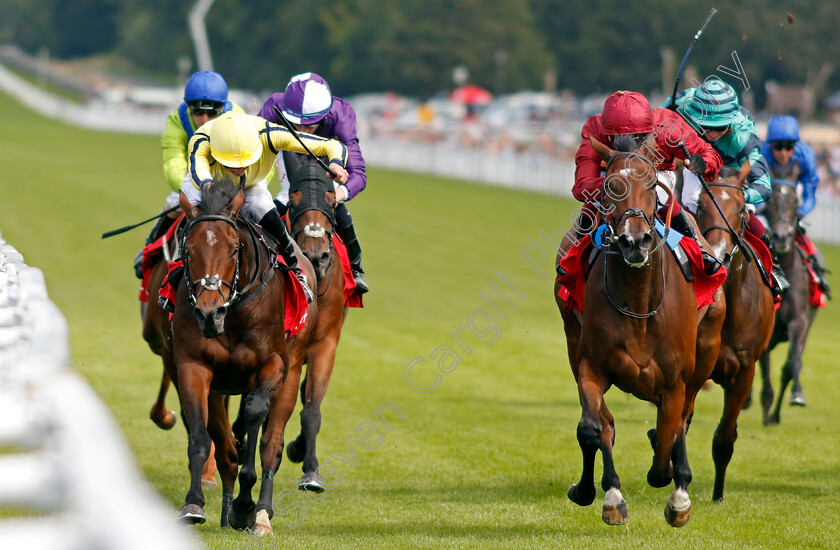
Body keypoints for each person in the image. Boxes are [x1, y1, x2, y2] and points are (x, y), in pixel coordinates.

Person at [183, 111, 349, 303]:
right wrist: (211, 193)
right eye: (231, 163)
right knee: (199, 220)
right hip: (207, 184)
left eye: (244, 161)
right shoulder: (202, 139)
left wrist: (336, 163)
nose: (238, 169)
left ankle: (295, 268)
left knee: (265, 208)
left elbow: (331, 145)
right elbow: (198, 170)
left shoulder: (270, 134)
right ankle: (177, 276)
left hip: (250, 184)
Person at [565, 90, 724, 276]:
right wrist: (617, 183)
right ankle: (574, 257)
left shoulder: (667, 127)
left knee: (661, 197)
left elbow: (709, 152)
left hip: (656, 173)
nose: (631, 143)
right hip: (615, 175)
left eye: (639, 138)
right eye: (620, 139)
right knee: (592, 203)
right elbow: (582, 185)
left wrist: (703, 163)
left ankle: (699, 248)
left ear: (650, 130)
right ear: (607, 133)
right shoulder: (595, 129)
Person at [671, 78, 788, 295]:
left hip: (732, 169)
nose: (711, 134)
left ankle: (774, 270)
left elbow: (764, 187)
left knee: (733, 210)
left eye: (719, 127)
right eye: (706, 127)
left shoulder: (744, 138)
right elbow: (660, 111)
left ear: (731, 123)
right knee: (688, 201)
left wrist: (737, 196)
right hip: (699, 163)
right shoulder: (686, 103)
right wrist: (667, 112)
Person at [259, 72, 369, 295]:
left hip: (326, 164)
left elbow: (358, 173)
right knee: (263, 210)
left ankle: (355, 269)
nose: (301, 131)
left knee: (338, 211)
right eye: (295, 123)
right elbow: (253, 151)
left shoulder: (342, 114)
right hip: (287, 159)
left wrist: (337, 195)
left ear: (325, 115)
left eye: (309, 125)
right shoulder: (273, 107)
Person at [133, 71, 245, 278]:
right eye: (198, 112)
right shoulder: (177, 120)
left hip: (232, 183)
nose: (204, 120)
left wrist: (231, 188)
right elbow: (173, 164)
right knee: (174, 202)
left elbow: (256, 162)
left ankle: (284, 256)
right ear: (188, 107)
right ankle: (149, 249)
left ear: (223, 108)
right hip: (195, 181)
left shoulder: (239, 119)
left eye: (212, 114)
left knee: (259, 207)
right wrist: (199, 186)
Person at [761, 115, 831, 296]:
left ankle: (818, 273)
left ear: (795, 146)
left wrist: (800, 212)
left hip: (793, 194)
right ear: (770, 145)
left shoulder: (805, 155)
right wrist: (761, 206)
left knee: (802, 236)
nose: (783, 153)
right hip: (766, 194)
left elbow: (810, 190)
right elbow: (755, 184)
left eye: (788, 147)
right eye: (778, 147)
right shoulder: (761, 155)